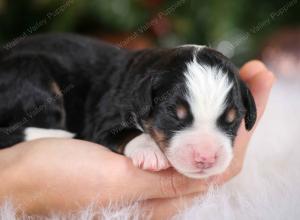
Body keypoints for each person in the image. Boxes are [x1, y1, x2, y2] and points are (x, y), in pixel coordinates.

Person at [0, 60, 275, 219]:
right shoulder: (132, 91)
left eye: (228, 123)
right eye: (178, 118)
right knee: (36, 89)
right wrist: (135, 141)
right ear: (147, 99)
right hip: (22, 74)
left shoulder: (154, 86)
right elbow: (105, 129)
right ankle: (22, 132)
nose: (206, 154)